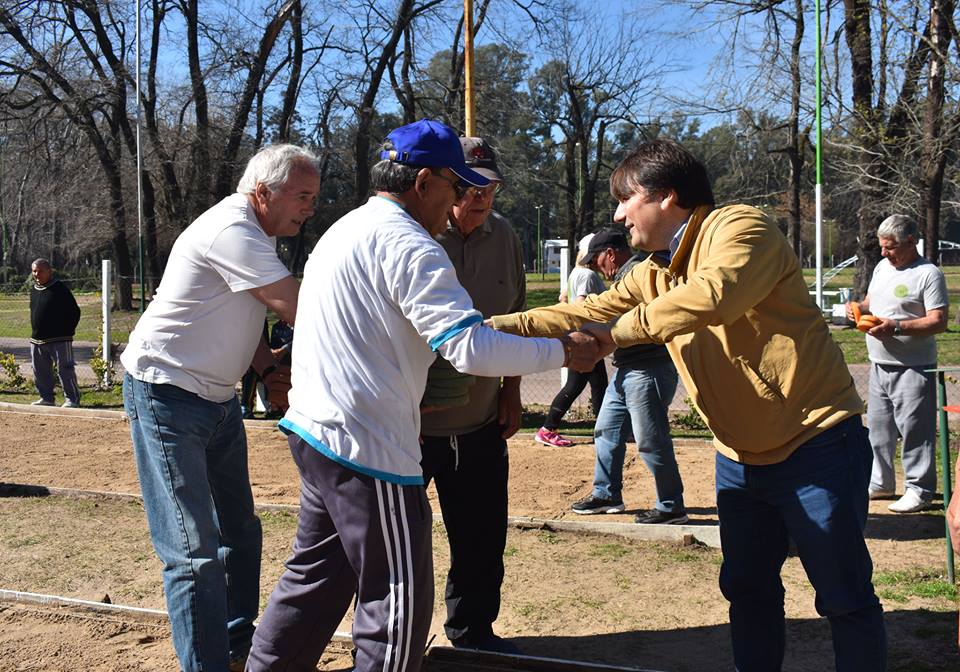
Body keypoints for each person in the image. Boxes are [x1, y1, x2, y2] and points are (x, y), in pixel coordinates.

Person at [491, 138, 886, 670]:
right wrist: (484, 327)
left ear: (665, 197)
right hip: (739, 457)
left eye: (625, 198)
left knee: (842, 596)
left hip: (815, 439)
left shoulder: (740, 229)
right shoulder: (653, 269)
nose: (617, 214)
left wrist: (614, 336)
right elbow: (582, 310)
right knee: (747, 591)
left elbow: (712, 293)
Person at [245, 119, 597, 672]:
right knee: (397, 602)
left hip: (317, 433)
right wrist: (562, 352)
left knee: (314, 579)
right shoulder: (410, 243)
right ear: (425, 181)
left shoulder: (345, 229)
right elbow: (470, 348)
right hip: (368, 448)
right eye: (456, 187)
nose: (460, 200)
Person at [121, 143, 317, 672]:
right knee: (192, 550)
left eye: (313, 198)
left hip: (217, 400)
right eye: (301, 196)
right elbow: (294, 304)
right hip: (166, 394)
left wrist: (271, 371)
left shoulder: (255, 237)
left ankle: (232, 641)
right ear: (262, 192)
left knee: (239, 531)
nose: (308, 207)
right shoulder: (234, 231)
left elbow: (248, 310)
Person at [419, 136, 523, 653]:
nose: (483, 197)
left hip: (482, 422)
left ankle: (474, 634)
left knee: (483, 539)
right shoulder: (418, 239)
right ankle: (392, 639)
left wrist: (513, 390)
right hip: (410, 428)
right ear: (447, 187)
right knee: (398, 545)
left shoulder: (506, 236)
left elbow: (521, 320)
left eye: (492, 187)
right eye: (472, 187)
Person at [567, 230, 684, 525]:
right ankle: (606, 494)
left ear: (610, 253)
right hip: (626, 370)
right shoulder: (624, 278)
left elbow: (628, 325)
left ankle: (671, 506)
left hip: (649, 369)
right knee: (606, 431)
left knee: (651, 439)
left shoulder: (637, 274)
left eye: (597, 262)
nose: (598, 270)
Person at [845, 215, 948, 514]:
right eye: (882, 247)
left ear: (911, 241)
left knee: (916, 430)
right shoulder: (881, 267)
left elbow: (938, 321)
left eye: (890, 247)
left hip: (914, 366)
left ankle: (919, 488)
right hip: (879, 363)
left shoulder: (928, 274)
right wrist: (858, 310)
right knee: (879, 430)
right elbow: (870, 302)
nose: (884, 253)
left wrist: (896, 327)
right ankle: (881, 482)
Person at [535, 233, 609, 447]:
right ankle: (548, 429)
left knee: (599, 386)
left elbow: (563, 298)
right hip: (586, 340)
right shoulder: (587, 275)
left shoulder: (576, 272)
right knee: (575, 385)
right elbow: (580, 304)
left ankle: (605, 430)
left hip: (585, 339)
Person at [28, 258, 82, 408]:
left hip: (60, 338)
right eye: (34, 271)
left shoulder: (60, 288)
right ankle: (46, 398)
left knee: (65, 369)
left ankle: (72, 399)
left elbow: (75, 312)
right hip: (37, 339)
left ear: (49, 271)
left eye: (40, 271)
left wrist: (67, 331)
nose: (37, 274)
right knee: (40, 371)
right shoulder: (34, 289)